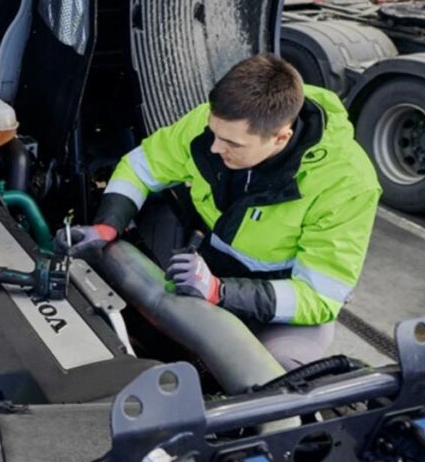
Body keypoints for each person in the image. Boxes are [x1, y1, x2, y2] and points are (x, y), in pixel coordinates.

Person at [58, 54, 380, 370]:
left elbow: (318, 297)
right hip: (206, 265)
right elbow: (141, 166)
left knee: (274, 374)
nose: (214, 147)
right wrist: (108, 225)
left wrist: (220, 291)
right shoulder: (215, 125)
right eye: (214, 133)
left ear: (282, 137)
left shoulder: (347, 185)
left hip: (279, 298)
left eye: (232, 144)